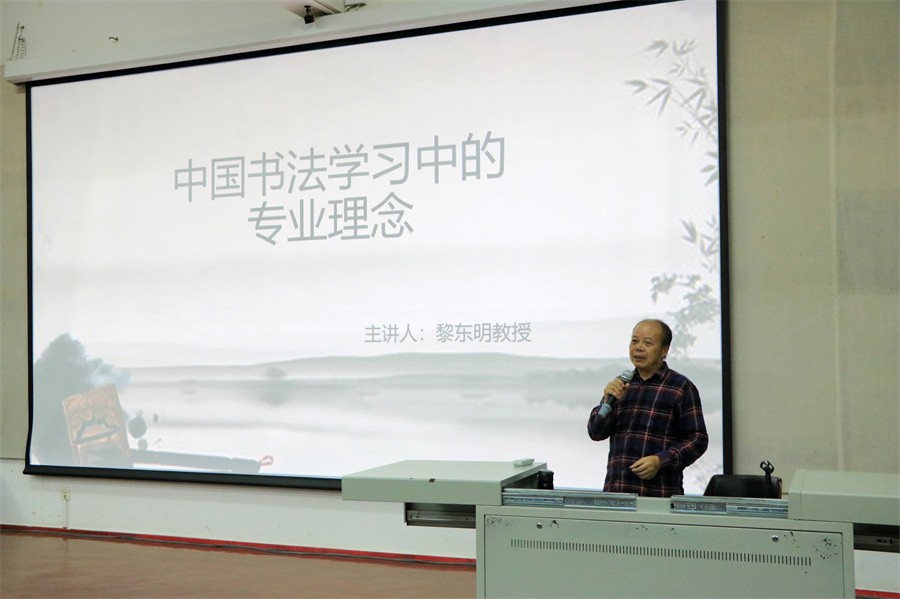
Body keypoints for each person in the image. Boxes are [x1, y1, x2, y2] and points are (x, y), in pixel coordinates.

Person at [587, 319, 708, 497]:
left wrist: (660, 460)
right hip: (617, 494)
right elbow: (596, 433)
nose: (638, 348)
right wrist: (607, 401)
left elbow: (698, 439)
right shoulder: (621, 384)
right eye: (634, 341)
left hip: (658, 495)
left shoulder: (681, 388)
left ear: (664, 350)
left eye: (647, 343)